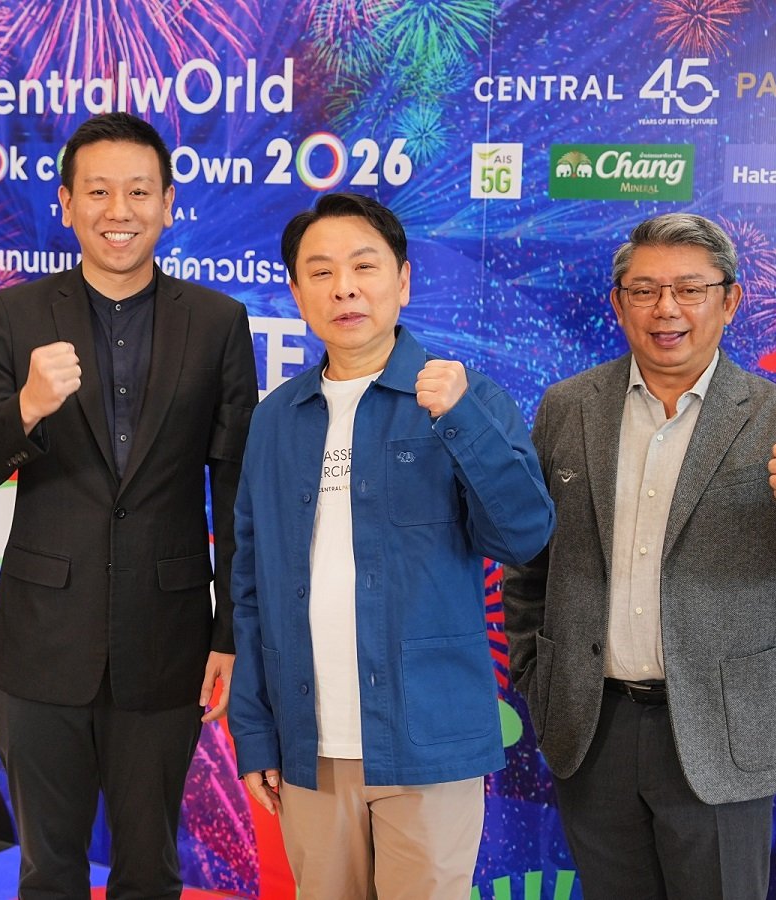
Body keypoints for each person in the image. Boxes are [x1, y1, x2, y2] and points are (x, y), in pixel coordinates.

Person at [502, 212, 776, 899]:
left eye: (690, 289)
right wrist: (538, 676)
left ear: (729, 300)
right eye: (645, 290)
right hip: (592, 729)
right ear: (618, 302)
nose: (666, 309)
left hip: (720, 736)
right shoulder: (567, 408)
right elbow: (531, 557)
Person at [0, 112, 258, 899]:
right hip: (40, 641)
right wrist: (26, 406)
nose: (119, 211)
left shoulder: (218, 322)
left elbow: (236, 489)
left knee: (150, 870)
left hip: (168, 641)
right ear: (66, 204)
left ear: (168, 203)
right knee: (48, 870)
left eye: (139, 192)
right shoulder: (15, 315)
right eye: (98, 192)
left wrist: (229, 633)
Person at [228, 192, 556, 899]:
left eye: (364, 266)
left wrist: (461, 421)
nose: (343, 288)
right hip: (310, 750)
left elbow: (523, 535)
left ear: (402, 281)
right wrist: (253, 733)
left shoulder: (465, 397)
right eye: (320, 272)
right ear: (297, 294)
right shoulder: (276, 419)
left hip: (427, 745)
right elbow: (250, 585)